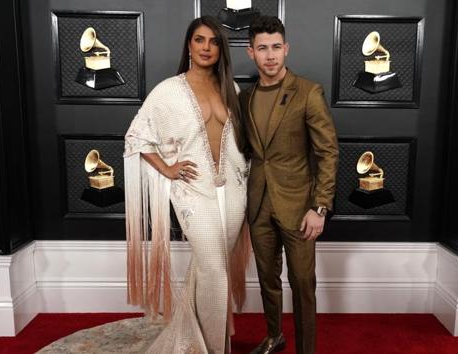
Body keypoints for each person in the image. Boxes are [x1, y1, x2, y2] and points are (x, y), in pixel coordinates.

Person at [124, 16, 251, 353]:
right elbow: (136, 136)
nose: (206, 47)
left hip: (234, 192)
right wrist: (166, 168)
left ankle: (191, 341)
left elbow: (244, 146)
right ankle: (212, 349)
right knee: (212, 267)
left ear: (221, 49)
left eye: (213, 41)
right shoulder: (169, 90)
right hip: (194, 193)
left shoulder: (231, 89)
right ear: (189, 46)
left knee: (212, 265)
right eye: (199, 40)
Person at [239, 16, 339, 354]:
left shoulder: (308, 92)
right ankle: (274, 337)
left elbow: (328, 152)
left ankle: (306, 350)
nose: (270, 56)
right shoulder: (245, 99)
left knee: (302, 283)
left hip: (299, 208)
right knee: (267, 279)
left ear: (286, 49)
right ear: (251, 52)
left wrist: (320, 206)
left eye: (276, 47)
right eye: (262, 48)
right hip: (258, 204)